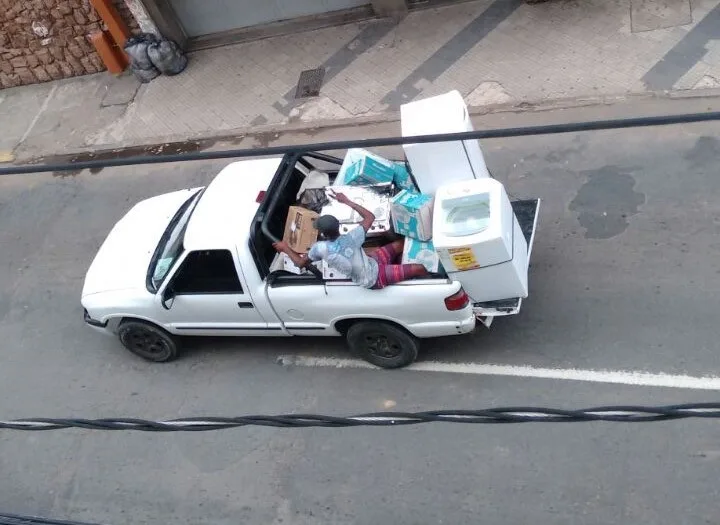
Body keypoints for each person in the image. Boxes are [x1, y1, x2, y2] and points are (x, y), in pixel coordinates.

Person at [273, 190, 429, 289]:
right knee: (418, 268)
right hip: (374, 278)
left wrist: (285, 247)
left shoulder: (320, 249)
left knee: (401, 244)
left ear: (324, 235)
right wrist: (346, 201)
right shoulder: (353, 237)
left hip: (371, 261)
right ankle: (429, 281)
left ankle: (405, 261)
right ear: (338, 227)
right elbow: (370, 216)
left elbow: (300, 263)